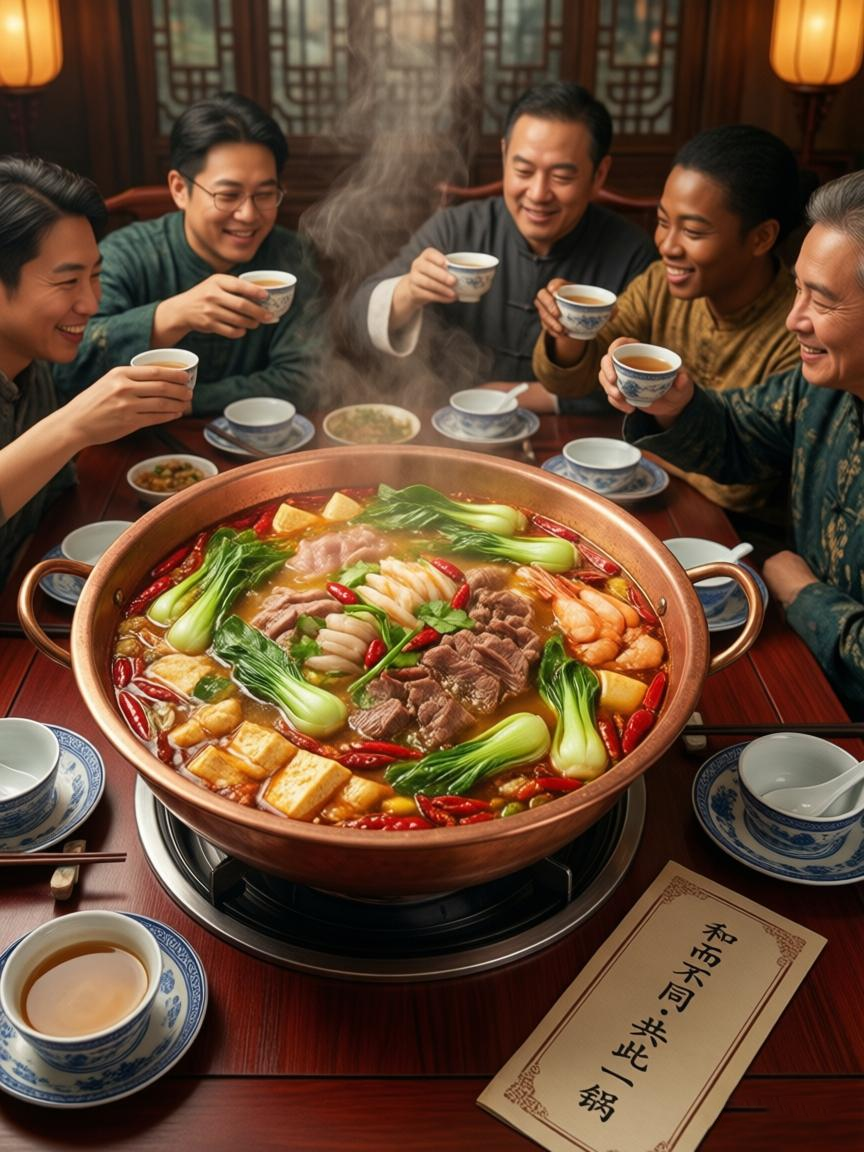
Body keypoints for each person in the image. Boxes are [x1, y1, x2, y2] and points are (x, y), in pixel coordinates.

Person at [597, 169, 864, 717]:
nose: (794, 320)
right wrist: (674, 401)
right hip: (797, 656)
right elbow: (741, 434)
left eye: (823, 301)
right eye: (798, 291)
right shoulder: (824, 388)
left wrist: (802, 593)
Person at [533, 124, 803, 518]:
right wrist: (571, 326)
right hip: (642, 495)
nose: (667, 245)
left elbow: (741, 487)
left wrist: (654, 440)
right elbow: (572, 378)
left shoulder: (797, 328)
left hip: (734, 530)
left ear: (761, 238)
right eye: (662, 221)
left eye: (693, 230)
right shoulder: (660, 283)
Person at [349, 82, 655, 391]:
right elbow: (358, 316)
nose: (538, 194)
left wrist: (518, 397)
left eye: (561, 177)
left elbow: (641, 376)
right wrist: (410, 290)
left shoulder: (634, 255)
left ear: (599, 174)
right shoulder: (457, 228)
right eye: (523, 171)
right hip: (451, 422)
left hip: (574, 432)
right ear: (505, 154)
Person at [54, 92, 320, 414]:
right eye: (228, 195)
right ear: (180, 189)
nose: (249, 214)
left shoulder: (289, 257)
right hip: (139, 443)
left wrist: (186, 401)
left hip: (261, 441)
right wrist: (172, 315)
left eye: (265, 194)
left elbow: (306, 379)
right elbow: (68, 371)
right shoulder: (127, 254)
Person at [0, 157, 191, 584]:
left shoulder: (33, 361)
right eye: (68, 282)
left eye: (95, 276)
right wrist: (74, 425)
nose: (90, 303)